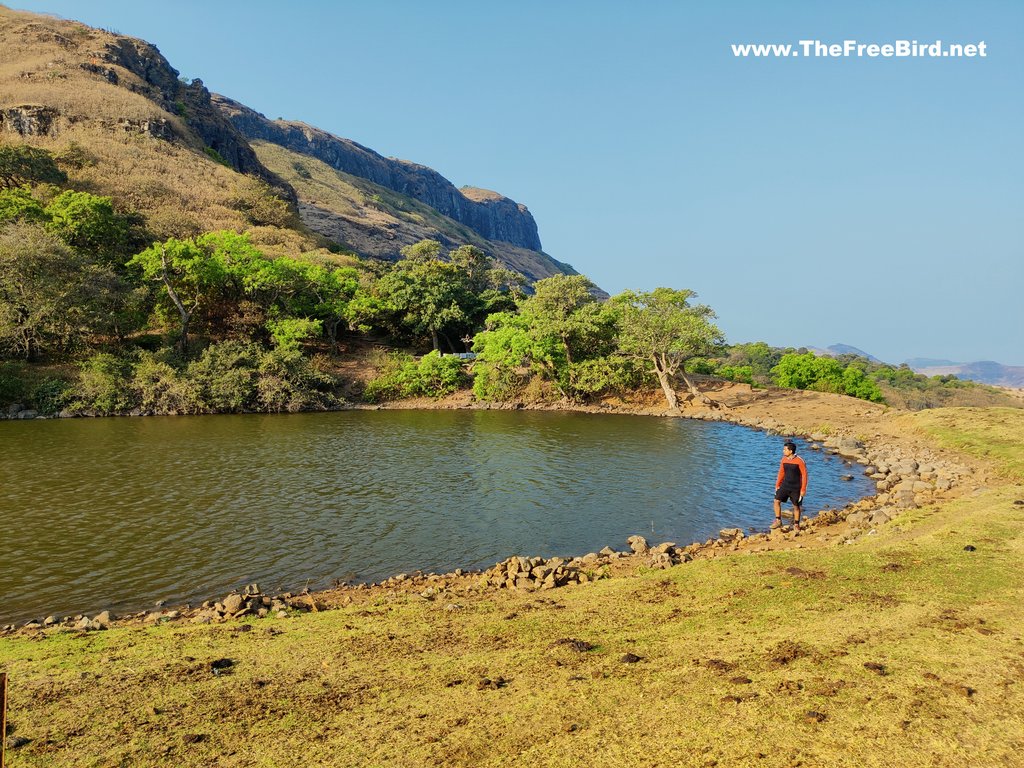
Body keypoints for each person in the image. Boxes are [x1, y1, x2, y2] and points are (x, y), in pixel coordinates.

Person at [772, 440, 807, 533]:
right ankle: (778, 521)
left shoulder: (800, 461)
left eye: (785, 449)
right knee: (776, 501)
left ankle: (796, 524)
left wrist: (803, 489)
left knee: (796, 506)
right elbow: (781, 473)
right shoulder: (783, 459)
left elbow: (804, 475)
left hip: (796, 487)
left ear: (791, 451)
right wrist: (777, 485)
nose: (783, 451)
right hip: (785, 485)